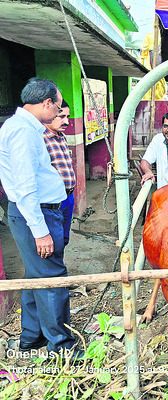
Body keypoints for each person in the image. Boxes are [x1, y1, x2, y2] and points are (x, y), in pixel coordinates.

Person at [0, 77, 79, 356]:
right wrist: (40, 230)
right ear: (46, 103)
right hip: (37, 213)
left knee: (35, 275)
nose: (59, 114)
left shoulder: (21, 126)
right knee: (52, 278)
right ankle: (62, 346)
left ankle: (32, 337)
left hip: (35, 211)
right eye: (57, 108)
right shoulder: (24, 131)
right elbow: (25, 187)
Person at [43, 99, 75, 246]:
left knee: (64, 239)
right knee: (53, 241)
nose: (66, 122)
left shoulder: (61, 137)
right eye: (61, 116)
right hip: (53, 200)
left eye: (67, 117)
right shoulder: (40, 139)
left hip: (69, 197)